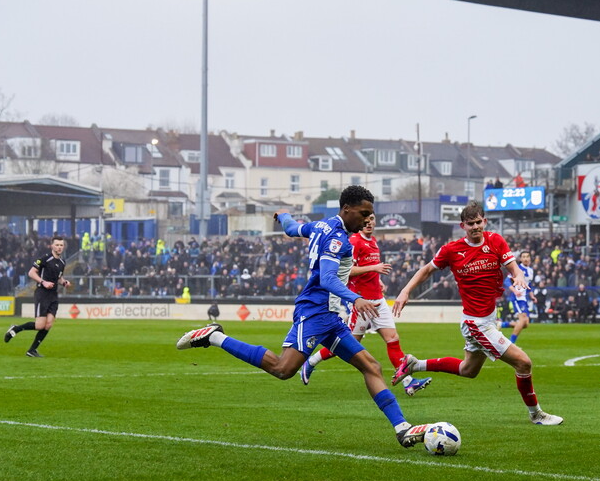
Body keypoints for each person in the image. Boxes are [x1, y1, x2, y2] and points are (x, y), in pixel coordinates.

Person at [175, 185, 431, 449]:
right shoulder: (338, 239)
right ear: (347, 209)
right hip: (315, 312)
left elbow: (291, 228)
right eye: (363, 213)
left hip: (330, 317)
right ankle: (214, 337)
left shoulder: (319, 226)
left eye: (370, 214)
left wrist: (283, 215)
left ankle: (403, 428)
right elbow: (328, 277)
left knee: (371, 366)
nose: (367, 219)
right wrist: (355, 298)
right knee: (282, 369)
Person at [391, 201, 564, 426]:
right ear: (462, 225)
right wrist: (405, 291)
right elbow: (426, 271)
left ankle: (415, 364)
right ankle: (536, 414)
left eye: (478, 222)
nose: (475, 227)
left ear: (485, 221)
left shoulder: (496, 241)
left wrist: (518, 275)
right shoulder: (451, 250)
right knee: (524, 363)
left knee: (468, 370)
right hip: (476, 323)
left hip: (488, 318)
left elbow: (512, 265)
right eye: (470, 224)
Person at [300, 213, 432, 396]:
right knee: (349, 345)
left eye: (372, 220)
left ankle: (409, 383)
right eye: (366, 220)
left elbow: (369, 270)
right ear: (360, 222)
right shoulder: (354, 242)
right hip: (362, 302)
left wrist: (377, 281)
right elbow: (346, 270)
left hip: (378, 300)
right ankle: (311, 361)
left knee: (392, 339)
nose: (369, 223)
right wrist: (374, 268)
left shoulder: (373, 241)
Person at [4, 235, 71, 357]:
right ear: (52, 246)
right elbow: (31, 272)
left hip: (53, 295)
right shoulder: (45, 259)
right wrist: (43, 282)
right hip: (42, 294)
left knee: (49, 324)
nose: (59, 247)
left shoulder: (62, 262)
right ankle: (16, 328)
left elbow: (59, 277)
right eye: (57, 245)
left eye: (61, 245)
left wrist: (64, 282)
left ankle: (32, 350)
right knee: (40, 325)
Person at [504, 250, 536, 343]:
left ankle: (502, 324)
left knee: (525, 324)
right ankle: (511, 343)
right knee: (522, 320)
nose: (526, 259)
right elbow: (506, 281)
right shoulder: (517, 269)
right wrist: (515, 291)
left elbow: (528, 285)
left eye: (527, 256)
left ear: (530, 258)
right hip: (517, 298)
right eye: (524, 257)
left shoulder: (530, 271)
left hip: (524, 298)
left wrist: (532, 296)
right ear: (521, 259)